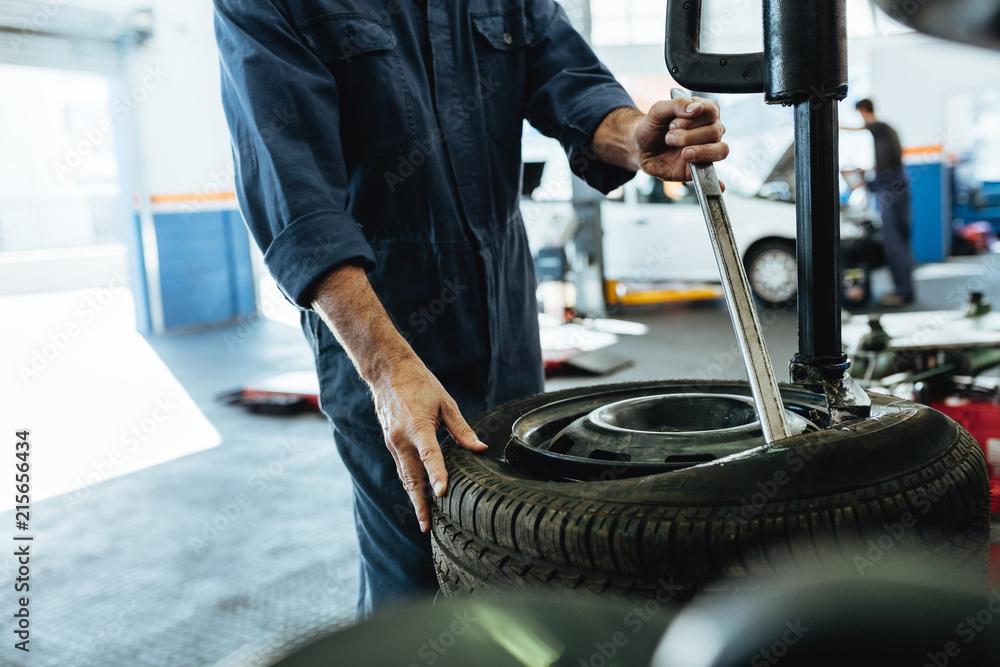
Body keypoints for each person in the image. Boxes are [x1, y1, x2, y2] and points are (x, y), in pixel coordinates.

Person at [214, 0, 728, 616]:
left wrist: (636, 136)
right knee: (418, 571)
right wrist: (385, 368)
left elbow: (572, 85)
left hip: (507, 321)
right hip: (382, 334)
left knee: (525, 548)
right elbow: (294, 196)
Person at [848, 98, 915, 307]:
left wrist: (832, 123)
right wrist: (866, 176)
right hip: (896, 189)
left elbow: (862, 127)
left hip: (891, 193)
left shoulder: (878, 127)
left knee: (894, 243)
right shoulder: (888, 132)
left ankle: (903, 293)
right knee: (900, 243)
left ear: (863, 111)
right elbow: (885, 166)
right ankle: (905, 290)